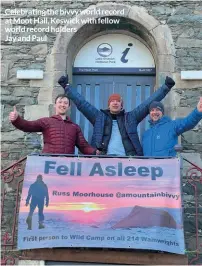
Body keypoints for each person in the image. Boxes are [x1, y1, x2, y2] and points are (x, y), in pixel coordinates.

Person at [58, 75, 175, 156]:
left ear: (121, 104)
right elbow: (82, 103)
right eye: (112, 101)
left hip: (128, 160)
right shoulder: (99, 117)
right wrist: (67, 87)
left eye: (117, 101)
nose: (115, 103)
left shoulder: (131, 117)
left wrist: (166, 88)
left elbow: (147, 104)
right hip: (104, 159)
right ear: (108, 104)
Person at [9, 94, 98, 155]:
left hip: (66, 166)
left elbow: (83, 146)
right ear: (55, 105)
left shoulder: (75, 127)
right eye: (60, 102)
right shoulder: (46, 121)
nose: (62, 105)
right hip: (48, 164)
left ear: (68, 107)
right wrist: (16, 119)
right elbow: (28, 126)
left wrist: (96, 152)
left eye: (66, 103)